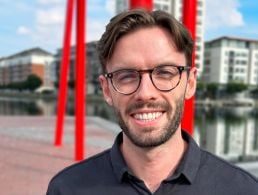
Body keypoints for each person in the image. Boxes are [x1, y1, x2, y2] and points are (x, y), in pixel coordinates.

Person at [47, 9, 258, 195]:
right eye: (127, 75)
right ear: (106, 90)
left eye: (165, 72)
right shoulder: (67, 189)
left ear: (190, 83)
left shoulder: (242, 189)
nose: (146, 93)